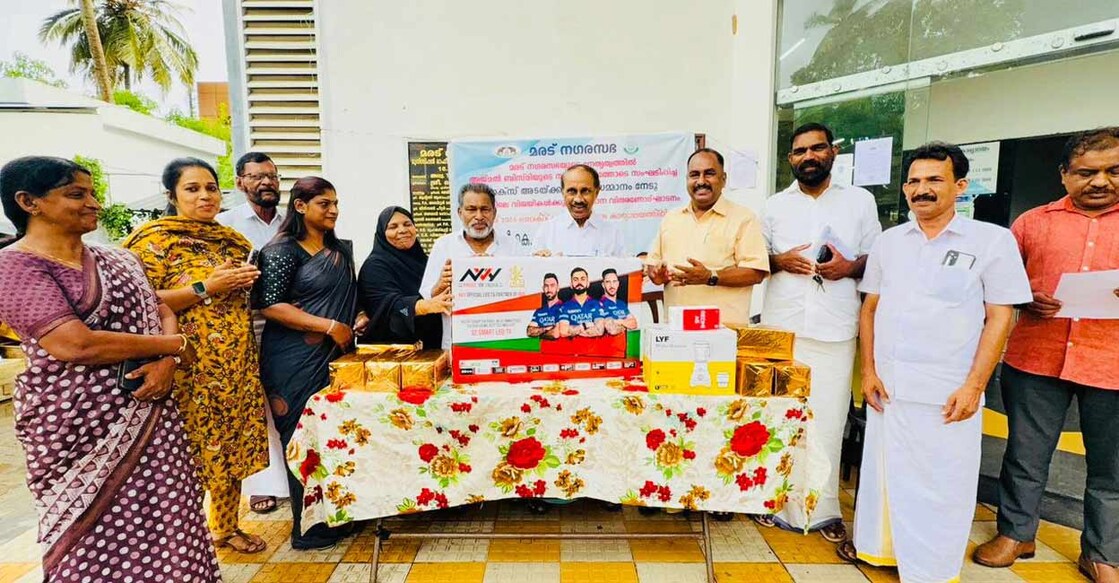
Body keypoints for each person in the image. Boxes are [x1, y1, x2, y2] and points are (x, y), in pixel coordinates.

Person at [0, 156, 221, 582]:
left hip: (151, 414)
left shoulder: (118, 260)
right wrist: (176, 345)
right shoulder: (15, 266)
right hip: (76, 426)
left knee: (171, 521)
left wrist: (167, 362)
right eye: (76, 194)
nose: (94, 203)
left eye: (92, 193)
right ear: (29, 202)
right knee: (90, 533)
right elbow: (73, 343)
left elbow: (158, 307)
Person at [841, 143, 1032, 582]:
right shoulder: (889, 242)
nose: (921, 190)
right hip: (890, 385)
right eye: (913, 181)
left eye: (934, 180)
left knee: (942, 481)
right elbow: (870, 309)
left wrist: (974, 386)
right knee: (886, 476)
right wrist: (868, 370)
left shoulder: (990, 240)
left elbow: (1001, 315)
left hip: (949, 389)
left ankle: (929, 568)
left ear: (960, 186)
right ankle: (880, 550)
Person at [973, 128, 1119, 582]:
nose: (1100, 181)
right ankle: (1017, 533)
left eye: (1113, 170)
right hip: (1037, 355)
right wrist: (1025, 295)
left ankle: (1102, 552)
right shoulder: (1032, 223)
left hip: (1111, 363)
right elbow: (997, 284)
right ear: (1064, 175)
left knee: (1111, 466)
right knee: (1025, 452)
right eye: (1086, 172)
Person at [122, 157, 270, 555]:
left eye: (211, 188)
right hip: (185, 365)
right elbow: (141, 302)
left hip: (235, 362)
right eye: (192, 188)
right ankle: (180, 537)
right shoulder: (152, 242)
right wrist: (207, 285)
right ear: (172, 195)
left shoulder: (234, 242)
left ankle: (225, 527)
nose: (205, 196)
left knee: (231, 447)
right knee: (187, 453)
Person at [760, 123, 881, 541]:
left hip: (834, 328)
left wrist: (849, 267)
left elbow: (876, 259)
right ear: (790, 158)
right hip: (782, 328)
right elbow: (758, 261)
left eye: (816, 149)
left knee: (827, 421)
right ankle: (775, 501)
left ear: (831, 152)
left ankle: (822, 510)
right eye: (799, 151)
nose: (808, 157)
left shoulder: (859, 201)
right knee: (782, 419)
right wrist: (780, 261)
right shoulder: (774, 205)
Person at [255, 176, 367, 549]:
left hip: (335, 357)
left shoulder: (339, 249)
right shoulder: (281, 251)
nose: (333, 210)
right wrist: (330, 325)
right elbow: (270, 305)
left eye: (336, 203)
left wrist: (357, 317)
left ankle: (335, 514)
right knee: (300, 438)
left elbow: (348, 295)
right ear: (300, 206)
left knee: (334, 435)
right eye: (324, 203)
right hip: (292, 360)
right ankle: (308, 528)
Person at [218, 151, 289, 515]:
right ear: (240, 182)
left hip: (284, 323)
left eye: (272, 177)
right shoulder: (225, 224)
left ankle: (290, 478)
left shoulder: (289, 222)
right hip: (239, 324)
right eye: (257, 177)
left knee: (280, 398)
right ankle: (261, 485)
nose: (266, 183)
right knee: (252, 406)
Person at [645, 148, 769, 326]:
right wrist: (658, 274)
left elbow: (756, 272)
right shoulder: (671, 218)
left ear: (723, 179)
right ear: (687, 179)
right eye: (694, 175)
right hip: (676, 332)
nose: (701, 181)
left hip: (723, 333)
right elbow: (654, 269)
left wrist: (710, 276)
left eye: (709, 174)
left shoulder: (743, 218)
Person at [420, 183, 522, 350]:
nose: (479, 216)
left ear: (494, 212)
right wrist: (441, 284)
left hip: (504, 341)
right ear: (460, 213)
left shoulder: (512, 246)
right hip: (457, 344)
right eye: (471, 209)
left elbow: (524, 291)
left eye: (485, 209)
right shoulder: (443, 246)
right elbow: (427, 299)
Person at [358, 206, 449, 348]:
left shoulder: (425, 261)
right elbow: (388, 306)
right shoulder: (375, 266)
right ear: (382, 233)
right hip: (392, 355)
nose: (402, 230)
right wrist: (424, 306)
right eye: (393, 226)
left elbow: (430, 295)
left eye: (407, 224)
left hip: (430, 347)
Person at [532, 164, 626, 257]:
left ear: (596, 192)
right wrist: (538, 261)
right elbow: (532, 269)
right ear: (563, 192)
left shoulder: (613, 233)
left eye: (585, 191)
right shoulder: (547, 231)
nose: (578, 199)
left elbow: (625, 268)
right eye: (572, 191)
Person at [556, 267, 605, 338]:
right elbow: (563, 332)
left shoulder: (597, 304)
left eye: (583, 279)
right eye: (575, 280)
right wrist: (586, 325)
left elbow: (599, 330)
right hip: (573, 348)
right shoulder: (565, 307)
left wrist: (574, 330)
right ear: (571, 285)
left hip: (593, 348)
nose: (579, 282)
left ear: (588, 283)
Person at [600, 268, 637, 334]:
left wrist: (619, 322)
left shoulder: (621, 304)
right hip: (609, 343)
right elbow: (612, 330)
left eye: (614, 281)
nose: (612, 285)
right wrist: (625, 324)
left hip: (623, 343)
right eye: (608, 282)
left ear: (618, 283)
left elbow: (634, 323)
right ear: (603, 285)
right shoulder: (600, 304)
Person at [527, 272, 562, 339]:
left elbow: (555, 334)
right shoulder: (539, 311)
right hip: (542, 348)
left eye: (552, 285)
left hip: (559, 348)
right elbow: (529, 332)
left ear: (558, 288)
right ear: (543, 288)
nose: (549, 289)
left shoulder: (563, 308)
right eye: (546, 286)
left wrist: (538, 333)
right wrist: (546, 329)